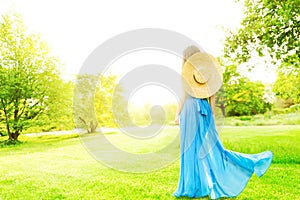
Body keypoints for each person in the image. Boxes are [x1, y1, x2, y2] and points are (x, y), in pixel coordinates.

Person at [173, 45, 273, 199]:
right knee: (208, 148)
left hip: (191, 111)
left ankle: (192, 186)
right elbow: (210, 94)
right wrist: (211, 112)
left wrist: (177, 114)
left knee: (194, 148)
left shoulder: (190, 72)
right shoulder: (203, 72)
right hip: (199, 110)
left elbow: (185, 95)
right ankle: (197, 186)